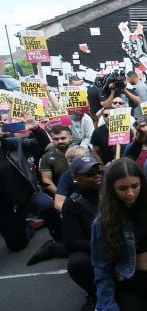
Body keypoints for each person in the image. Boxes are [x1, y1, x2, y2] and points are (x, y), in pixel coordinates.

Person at [91, 158, 147, 310]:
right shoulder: (102, 222)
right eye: (122, 188)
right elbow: (101, 267)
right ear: (112, 188)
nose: (130, 193)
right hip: (130, 283)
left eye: (135, 186)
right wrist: (107, 304)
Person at [0, 113, 61, 256]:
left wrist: (36, 129)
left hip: (28, 194)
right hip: (5, 208)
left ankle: (60, 236)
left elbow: (46, 146)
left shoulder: (14, 144)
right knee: (17, 246)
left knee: (48, 206)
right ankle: (29, 226)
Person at [62, 156, 103, 311]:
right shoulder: (71, 204)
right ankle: (94, 293)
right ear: (75, 177)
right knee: (76, 262)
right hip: (94, 248)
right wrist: (102, 246)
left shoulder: (113, 190)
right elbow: (72, 241)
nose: (97, 175)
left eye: (99, 171)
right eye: (90, 174)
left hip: (122, 241)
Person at [40, 125, 73, 195]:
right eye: (56, 139)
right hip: (60, 192)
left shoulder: (82, 152)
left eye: (63, 138)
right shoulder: (46, 157)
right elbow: (47, 180)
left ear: (70, 138)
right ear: (52, 140)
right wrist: (61, 195)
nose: (60, 141)